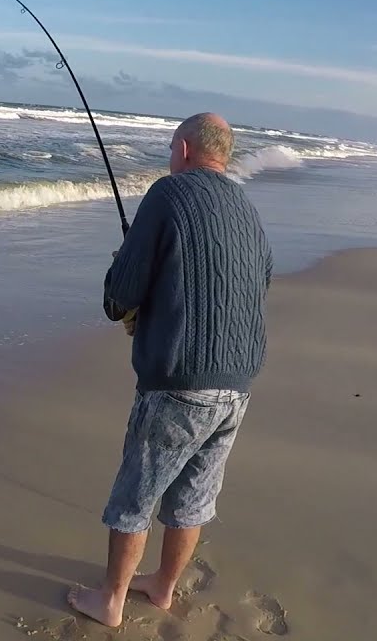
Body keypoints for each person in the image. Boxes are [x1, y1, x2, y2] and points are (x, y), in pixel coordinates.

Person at [67, 112, 274, 628]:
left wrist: (126, 288)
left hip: (180, 382)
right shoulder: (247, 209)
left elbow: (120, 294)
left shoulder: (167, 194)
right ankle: (162, 586)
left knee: (135, 495)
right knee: (194, 496)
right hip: (238, 381)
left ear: (183, 149)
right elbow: (257, 282)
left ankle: (111, 601)